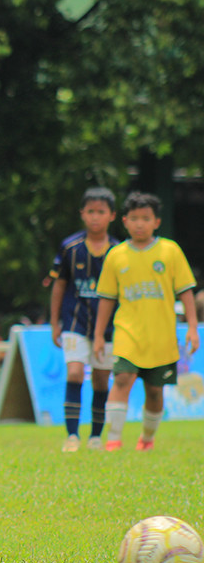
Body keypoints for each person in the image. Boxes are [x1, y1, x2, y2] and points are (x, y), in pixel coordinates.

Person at [93, 192, 199, 451]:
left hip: (161, 336)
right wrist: (98, 335)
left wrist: (193, 328)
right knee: (121, 380)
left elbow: (185, 291)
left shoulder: (170, 251)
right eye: (135, 218)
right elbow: (107, 298)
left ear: (156, 222)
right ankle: (114, 439)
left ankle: (147, 440)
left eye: (146, 218)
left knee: (154, 391)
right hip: (127, 332)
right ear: (125, 221)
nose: (140, 223)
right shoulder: (116, 256)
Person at [49, 187, 119, 452]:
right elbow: (59, 285)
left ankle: (96, 437)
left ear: (112, 215)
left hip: (109, 327)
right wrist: (54, 320)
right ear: (82, 214)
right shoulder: (70, 247)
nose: (95, 218)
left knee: (101, 379)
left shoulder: (119, 251)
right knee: (76, 372)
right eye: (90, 212)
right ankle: (72, 436)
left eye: (101, 212)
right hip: (74, 322)